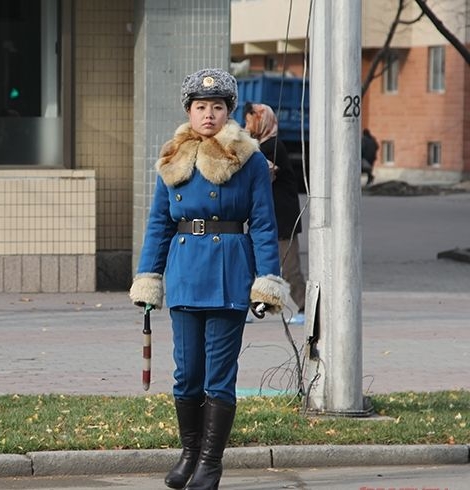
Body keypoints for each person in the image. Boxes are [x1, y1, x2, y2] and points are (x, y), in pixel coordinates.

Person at [129, 69, 289, 490]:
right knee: (186, 375)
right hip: (185, 275)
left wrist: (266, 283)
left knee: (219, 376)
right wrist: (149, 278)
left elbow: (265, 225)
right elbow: (159, 225)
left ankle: (210, 463)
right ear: (189, 110)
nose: (208, 114)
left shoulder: (250, 159)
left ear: (229, 112)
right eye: (201, 107)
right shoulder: (171, 158)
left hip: (229, 274)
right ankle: (188, 455)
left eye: (217, 107)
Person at [243, 102, 307, 325]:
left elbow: (255, 165)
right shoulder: (263, 145)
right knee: (253, 265)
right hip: (267, 220)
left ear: (261, 120)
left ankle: (305, 308)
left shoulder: (271, 147)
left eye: (250, 120)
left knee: (289, 267)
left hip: (282, 220)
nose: (246, 125)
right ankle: (252, 307)